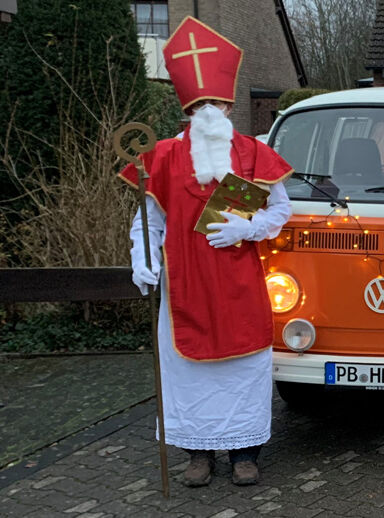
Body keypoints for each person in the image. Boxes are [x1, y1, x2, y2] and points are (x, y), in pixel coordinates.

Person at [122, 17, 293, 487]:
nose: (209, 110)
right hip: (184, 284)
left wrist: (249, 225)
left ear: (228, 104)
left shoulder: (253, 153)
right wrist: (143, 258)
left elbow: (282, 211)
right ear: (188, 108)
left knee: (244, 368)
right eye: (200, 104)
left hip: (239, 280)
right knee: (188, 372)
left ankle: (245, 454)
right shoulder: (161, 157)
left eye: (216, 102)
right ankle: (198, 455)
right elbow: (147, 218)